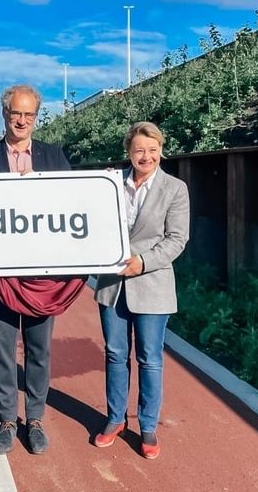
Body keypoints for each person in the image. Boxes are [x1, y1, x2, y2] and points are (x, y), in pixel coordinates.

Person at [0, 84, 82, 456]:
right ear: (4, 114)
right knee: (2, 351)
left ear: (36, 117)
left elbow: (72, 209)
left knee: (39, 350)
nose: (21, 120)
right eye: (15, 113)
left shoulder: (54, 157)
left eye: (28, 115)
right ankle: (5, 419)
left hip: (42, 277)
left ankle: (33, 419)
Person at [92, 121, 190, 459]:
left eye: (151, 150)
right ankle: (115, 418)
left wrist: (144, 262)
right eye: (138, 150)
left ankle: (147, 425)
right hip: (112, 287)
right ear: (128, 153)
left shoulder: (176, 189)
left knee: (150, 358)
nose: (145, 156)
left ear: (161, 150)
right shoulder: (110, 184)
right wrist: (98, 188)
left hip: (152, 284)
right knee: (115, 354)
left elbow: (177, 239)